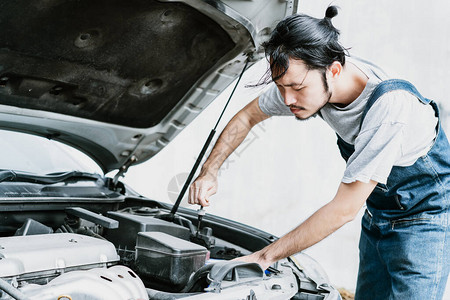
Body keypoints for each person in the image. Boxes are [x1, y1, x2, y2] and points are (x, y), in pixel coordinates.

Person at [188, 6, 450, 300]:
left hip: (425, 219)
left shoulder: (389, 108)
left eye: (296, 88)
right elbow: (248, 116)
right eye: (281, 86)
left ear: (334, 70)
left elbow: (344, 209)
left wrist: (263, 257)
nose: (287, 99)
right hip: (378, 212)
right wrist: (209, 171)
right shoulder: (308, 75)